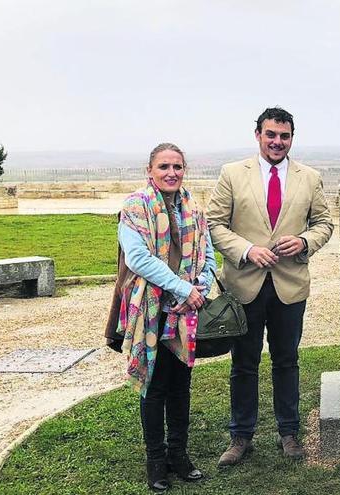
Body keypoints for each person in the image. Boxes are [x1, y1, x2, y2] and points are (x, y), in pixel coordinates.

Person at [206, 107, 333, 466]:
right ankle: (241, 436)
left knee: (287, 360)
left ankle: (288, 433)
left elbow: (324, 222)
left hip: (289, 287)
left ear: (292, 138)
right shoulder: (232, 174)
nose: (278, 142)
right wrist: (246, 249)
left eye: (285, 136)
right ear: (258, 134)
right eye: (271, 135)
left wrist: (305, 242)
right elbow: (215, 224)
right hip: (243, 286)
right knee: (243, 363)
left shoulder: (310, 177)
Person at [105, 142, 216, 491]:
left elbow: (208, 254)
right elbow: (138, 259)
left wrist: (199, 287)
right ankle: (156, 460)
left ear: (185, 170)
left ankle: (179, 455)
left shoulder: (194, 208)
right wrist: (184, 289)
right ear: (150, 169)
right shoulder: (135, 207)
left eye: (178, 167)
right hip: (152, 309)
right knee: (154, 388)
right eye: (164, 166)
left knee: (181, 386)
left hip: (185, 313)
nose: (171, 173)